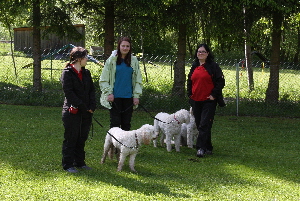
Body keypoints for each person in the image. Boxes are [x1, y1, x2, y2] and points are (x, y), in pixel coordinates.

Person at [60, 46, 96, 173]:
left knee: (82, 137)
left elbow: (92, 90)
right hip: (72, 111)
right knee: (71, 137)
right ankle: (68, 164)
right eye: (85, 57)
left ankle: (80, 162)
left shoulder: (86, 73)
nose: (87, 59)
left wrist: (92, 106)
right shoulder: (67, 73)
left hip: (86, 111)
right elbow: (69, 93)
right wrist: (83, 107)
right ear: (78, 59)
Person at [187, 44, 225, 158]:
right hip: (196, 100)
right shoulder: (194, 65)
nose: (200, 53)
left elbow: (220, 82)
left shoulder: (213, 66)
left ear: (208, 53)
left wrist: (214, 95)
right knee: (200, 125)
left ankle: (200, 148)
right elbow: (190, 80)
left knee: (204, 124)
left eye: (203, 52)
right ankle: (208, 147)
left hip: (208, 101)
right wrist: (189, 94)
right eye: (199, 51)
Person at [99, 36, 143, 131]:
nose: (125, 48)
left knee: (126, 124)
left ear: (130, 47)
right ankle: (113, 145)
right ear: (119, 46)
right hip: (114, 97)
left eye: (127, 46)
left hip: (128, 97)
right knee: (115, 123)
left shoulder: (134, 61)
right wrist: (109, 93)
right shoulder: (111, 60)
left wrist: (136, 96)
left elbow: (138, 80)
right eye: (123, 46)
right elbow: (104, 79)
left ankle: (124, 145)